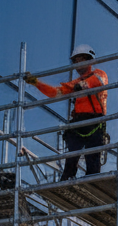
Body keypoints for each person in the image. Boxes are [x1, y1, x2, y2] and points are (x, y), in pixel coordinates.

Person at [24, 45, 108, 181]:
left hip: (94, 121)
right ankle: (67, 179)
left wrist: (80, 86)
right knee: (72, 155)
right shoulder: (76, 83)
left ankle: (92, 182)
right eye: (75, 62)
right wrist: (36, 83)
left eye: (80, 60)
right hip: (78, 121)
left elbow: (96, 81)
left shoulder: (99, 74)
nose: (77, 65)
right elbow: (55, 92)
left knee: (92, 158)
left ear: (89, 60)